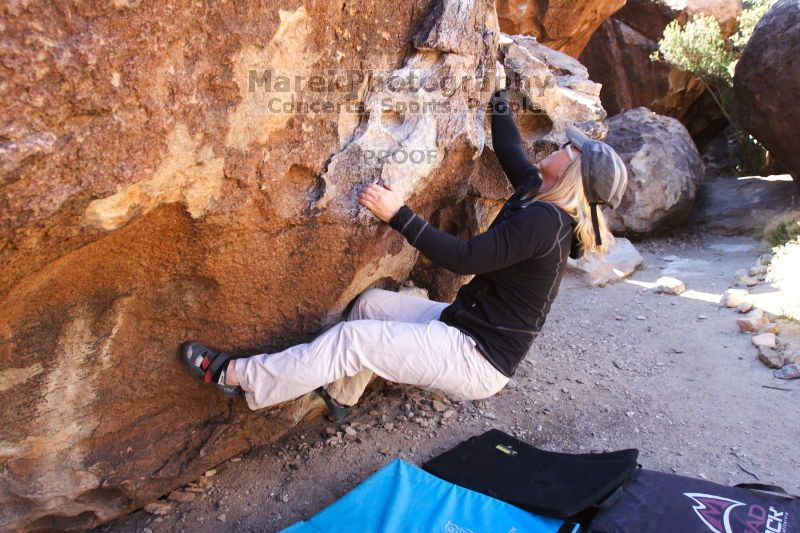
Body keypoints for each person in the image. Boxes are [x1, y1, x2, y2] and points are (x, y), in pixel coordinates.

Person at [180, 60, 628, 421]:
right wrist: (497, 93)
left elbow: (464, 258)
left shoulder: (545, 224)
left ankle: (238, 376)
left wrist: (398, 214)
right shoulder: (537, 193)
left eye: (569, 149)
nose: (559, 147)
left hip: (477, 357)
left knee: (352, 341)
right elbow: (510, 149)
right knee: (369, 305)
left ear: (572, 172)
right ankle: (342, 396)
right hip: (462, 325)